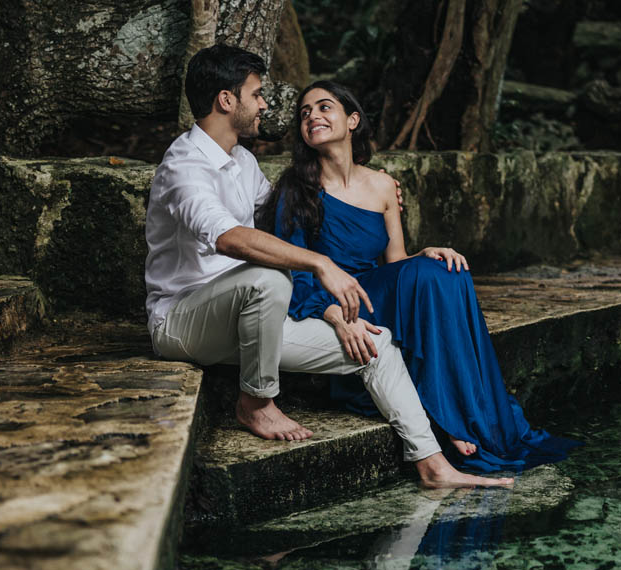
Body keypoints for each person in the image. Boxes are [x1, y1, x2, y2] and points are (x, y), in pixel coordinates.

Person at [145, 44, 511, 488]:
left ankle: (432, 463)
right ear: (227, 100)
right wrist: (320, 264)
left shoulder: (242, 162)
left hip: (252, 319)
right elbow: (229, 238)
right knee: (267, 277)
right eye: (257, 94)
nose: (264, 105)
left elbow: (282, 211)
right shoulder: (184, 165)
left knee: (377, 345)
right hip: (183, 320)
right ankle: (256, 402)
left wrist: (375, 198)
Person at [267, 80, 581, 472]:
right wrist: (335, 316)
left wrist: (425, 253)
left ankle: (458, 411)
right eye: (305, 112)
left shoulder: (382, 185)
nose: (312, 115)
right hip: (334, 303)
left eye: (324, 107)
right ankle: (451, 417)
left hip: (375, 293)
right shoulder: (295, 191)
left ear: (352, 120)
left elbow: (396, 260)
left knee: (446, 269)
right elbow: (293, 274)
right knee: (430, 277)